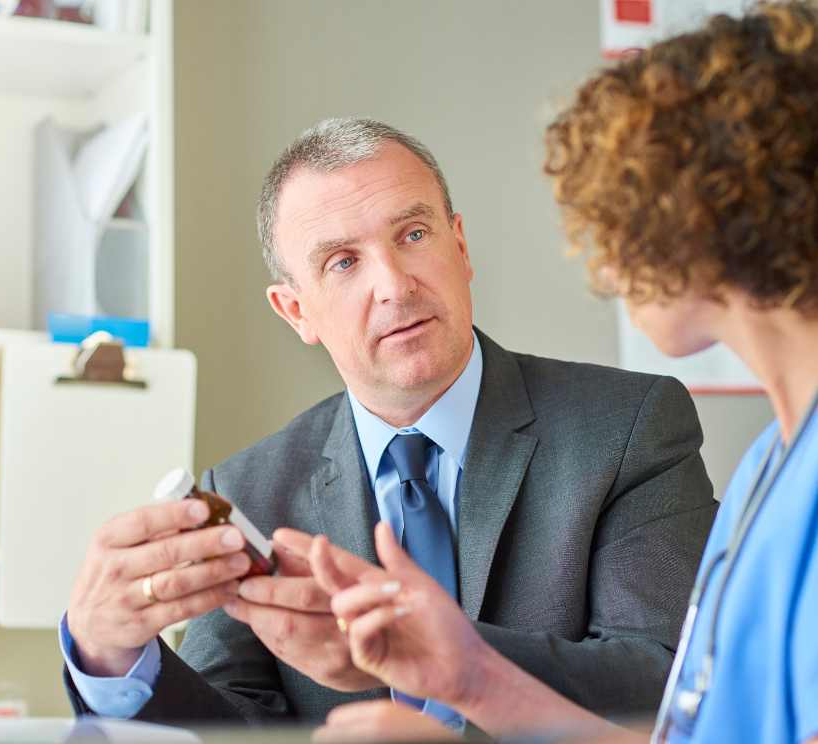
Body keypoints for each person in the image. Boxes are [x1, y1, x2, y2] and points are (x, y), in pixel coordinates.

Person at [60, 117, 715, 728]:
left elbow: (666, 683)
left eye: (413, 235)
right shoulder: (248, 489)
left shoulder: (630, 426)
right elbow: (234, 729)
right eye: (343, 262)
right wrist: (110, 658)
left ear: (460, 247)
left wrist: (434, 651)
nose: (395, 286)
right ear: (295, 312)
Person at [309, 3, 818, 743]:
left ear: (715, 213)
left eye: (623, 211)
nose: (606, 265)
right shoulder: (772, 465)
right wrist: (471, 679)